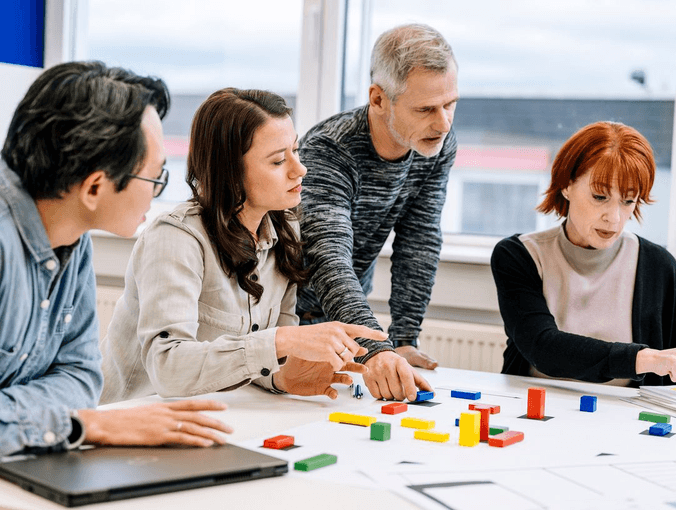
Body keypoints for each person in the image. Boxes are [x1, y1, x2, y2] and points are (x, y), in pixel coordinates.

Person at [0, 61, 232, 457]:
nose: (158, 193)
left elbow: (80, 377)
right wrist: (82, 425)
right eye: (154, 178)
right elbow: (79, 408)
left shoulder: (71, 236)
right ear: (94, 187)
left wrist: (29, 417)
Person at [100, 88, 387, 404]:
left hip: (217, 414)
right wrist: (280, 342)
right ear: (230, 172)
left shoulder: (285, 230)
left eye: (296, 151)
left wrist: (282, 377)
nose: (299, 169)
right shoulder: (175, 238)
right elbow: (168, 367)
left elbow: (256, 362)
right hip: (130, 415)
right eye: (278, 160)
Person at [491, 121, 676, 386]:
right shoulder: (519, 255)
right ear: (566, 185)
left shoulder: (658, 265)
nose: (614, 218)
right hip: (534, 410)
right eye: (599, 197)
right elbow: (543, 348)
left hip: (627, 418)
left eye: (628, 201)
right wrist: (644, 358)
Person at [297, 23, 459, 401]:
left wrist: (403, 338)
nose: (443, 122)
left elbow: (419, 240)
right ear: (379, 99)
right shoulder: (329, 149)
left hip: (350, 319)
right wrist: (376, 348)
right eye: (425, 109)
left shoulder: (436, 142)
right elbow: (328, 258)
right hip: (290, 318)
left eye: (450, 103)